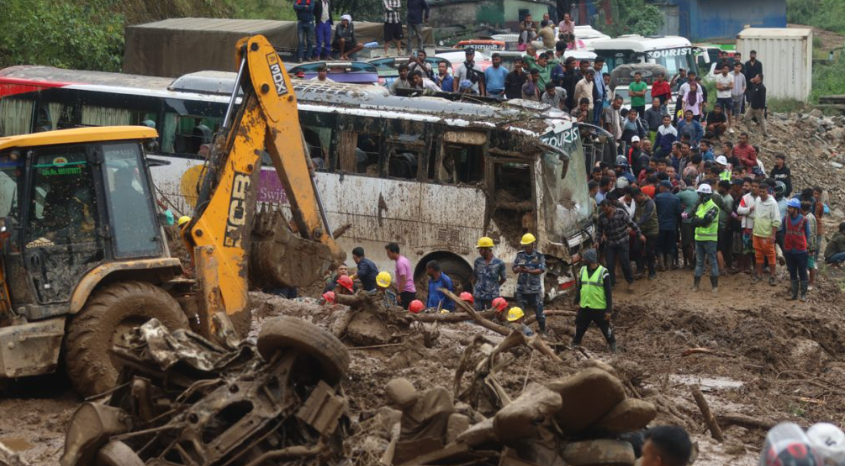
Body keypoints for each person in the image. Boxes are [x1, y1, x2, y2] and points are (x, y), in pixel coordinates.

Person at [572, 249, 617, 353]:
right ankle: (574, 345)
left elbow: (608, 292)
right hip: (585, 307)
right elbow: (580, 287)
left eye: (584, 258)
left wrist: (608, 310)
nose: (582, 259)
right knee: (580, 327)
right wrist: (576, 301)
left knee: (606, 329)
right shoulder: (583, 270)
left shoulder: (603, 272)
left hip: (599, 308)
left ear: (590, 260)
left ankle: (613, 347)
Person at [596, 197, 643, 291]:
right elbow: (599, 231)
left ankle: (630, 282)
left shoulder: (620, 212)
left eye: (606, 209)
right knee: (609, 264)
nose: (605, 211)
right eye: (603, 209)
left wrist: (639, 234)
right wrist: (597, 241)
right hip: (610, 242)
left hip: (623, 240)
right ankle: (611, 284)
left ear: (611, 206)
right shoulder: (601, 217)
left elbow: (632, 224)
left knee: (624, 262)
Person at [687, 183, 720, 293]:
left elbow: (706, 221)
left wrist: (698, 221)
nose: (700, 196)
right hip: (699, 238)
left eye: (701, 194)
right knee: (700, 263)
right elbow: (694, 221)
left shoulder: (714, 207)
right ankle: (696, 286)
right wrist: (698, 221)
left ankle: (714, 287)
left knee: (712, 262)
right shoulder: (701, 206)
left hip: (710, 239)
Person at [511, 233, 546, 333]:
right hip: (522, 290)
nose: (526, 248)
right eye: (525, 246)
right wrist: (519, 269)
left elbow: (541, 270)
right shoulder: (520, 255)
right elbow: (514, 269)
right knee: (519, 313)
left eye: (528, 246)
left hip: (535, 290)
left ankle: (543, 332)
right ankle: (517, 332)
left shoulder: (539, 256)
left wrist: (529, 271)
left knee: (540, 313)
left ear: (533, 244)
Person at [751, 183, 781, 285]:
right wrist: (753, 230)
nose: (761, 193)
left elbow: (776, 220)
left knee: (771, 255)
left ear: (767, 191)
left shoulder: (773, 203)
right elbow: (755, 216)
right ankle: (759, 275)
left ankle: (773, 276)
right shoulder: (758, 200)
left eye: (763, 192)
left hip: (767, 234)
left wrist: (773, 235)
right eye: (760, 191)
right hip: (757, 232)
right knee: (758, 255)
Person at [780, 198, 810, 301]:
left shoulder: (804, 220)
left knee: (802, 272)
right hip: (789, 250)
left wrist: (807, 246)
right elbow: (784, 232)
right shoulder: (785, 219)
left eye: (790, 207)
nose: (788, 209)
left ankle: (803, 295)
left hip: (801, 251)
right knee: (792, 272)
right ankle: (794, 294)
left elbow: (807, 234)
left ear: (796, 209)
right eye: (788, 207)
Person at [472, 236, 506, 311]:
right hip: (478, 296)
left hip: (492, 297)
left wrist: (495, 286)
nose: (479, 251)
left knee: (491, 318)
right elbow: (475, 277)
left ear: (487, 249)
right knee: (477, 316)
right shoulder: (477, 262)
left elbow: (503, 278)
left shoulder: (499, 263)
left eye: (481, 249)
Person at [655, 181, 681, 270]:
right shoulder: (676, 198)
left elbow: (655, 211)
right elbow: (678, 212)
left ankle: (661, 265)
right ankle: (669, 265)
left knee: (659, 245)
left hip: (660, 225)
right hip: (672, 226)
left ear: (662, 187)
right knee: (671, 245)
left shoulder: (658, 197)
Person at [633, 188, 659, 279]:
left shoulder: (650, 203)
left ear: (641, 195)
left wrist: (634, 225)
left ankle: (652, 272)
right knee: (636, 249)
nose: (635, 200)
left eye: (636, 198)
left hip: (651, 230)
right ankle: (640, 269)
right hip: (640, 230)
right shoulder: (637, 203)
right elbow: (636, 215)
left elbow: (646, 217)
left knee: (649, 252)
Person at [677, 175, 699, 269]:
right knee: (697, 243)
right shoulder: (697, 192)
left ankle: (691, 264)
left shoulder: (682, 193)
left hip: (687, 220)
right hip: (698, 219)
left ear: (684, 184)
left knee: (687, 243)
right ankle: (697, 262)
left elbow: (672, 199)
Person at [385, 242, 417, 308]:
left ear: (394, 252)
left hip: (406, 292)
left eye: (389, 253)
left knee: (404, 314)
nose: (388, 255)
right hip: (409, 291)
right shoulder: (403, 259)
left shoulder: (400, 263)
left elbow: (403, 279)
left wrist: (399, 293)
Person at [592, 57, 606, 124]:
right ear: (594, 64)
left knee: (598, 116)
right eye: (598, 65)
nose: (600, 67)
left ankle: (597, 132)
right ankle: (594, 132)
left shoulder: (600, 72)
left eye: (601, 65)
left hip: (601, 97)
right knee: (595, 117)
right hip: (595, 98)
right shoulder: (591, 72)